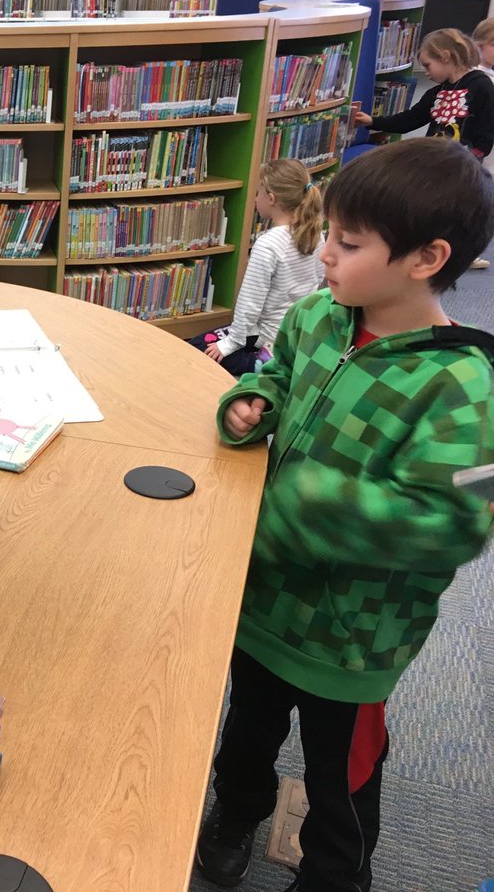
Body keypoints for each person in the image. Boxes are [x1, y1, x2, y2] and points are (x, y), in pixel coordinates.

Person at [195, 137, 494, 891]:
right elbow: (278, 376)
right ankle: (237, 812)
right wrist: (251, 403)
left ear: (426, 258)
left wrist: (319, 503)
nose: (324, 253)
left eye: (349, 243)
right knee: (246, 731)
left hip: (353, 640)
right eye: (329, 232)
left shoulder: (463, 387)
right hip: (264, 602)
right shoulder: (317, 318)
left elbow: (459, 522)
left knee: (343, 777)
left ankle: (336, 873)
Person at [353, 27, 494, 271]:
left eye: (428, 65)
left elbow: (487, 128)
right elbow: (411, 119)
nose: (426, 72)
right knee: (433, 206)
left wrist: (474, 157)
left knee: (459, 211)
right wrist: (373, 122)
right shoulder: (438, 91)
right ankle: (427, 249)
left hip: (464, 164)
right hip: (436, 160)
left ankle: (461, 253)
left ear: (446, 56)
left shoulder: (481, 86)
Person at [188, 159, 324, 376]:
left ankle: (261, 367)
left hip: (264, 343)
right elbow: (318, 281)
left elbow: (250, 303)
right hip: (295, 338)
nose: (255, 198)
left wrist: (230, 344)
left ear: (271, 198)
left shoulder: (269, 244)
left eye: (258, 192)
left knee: (193, 350)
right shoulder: (316, 235)